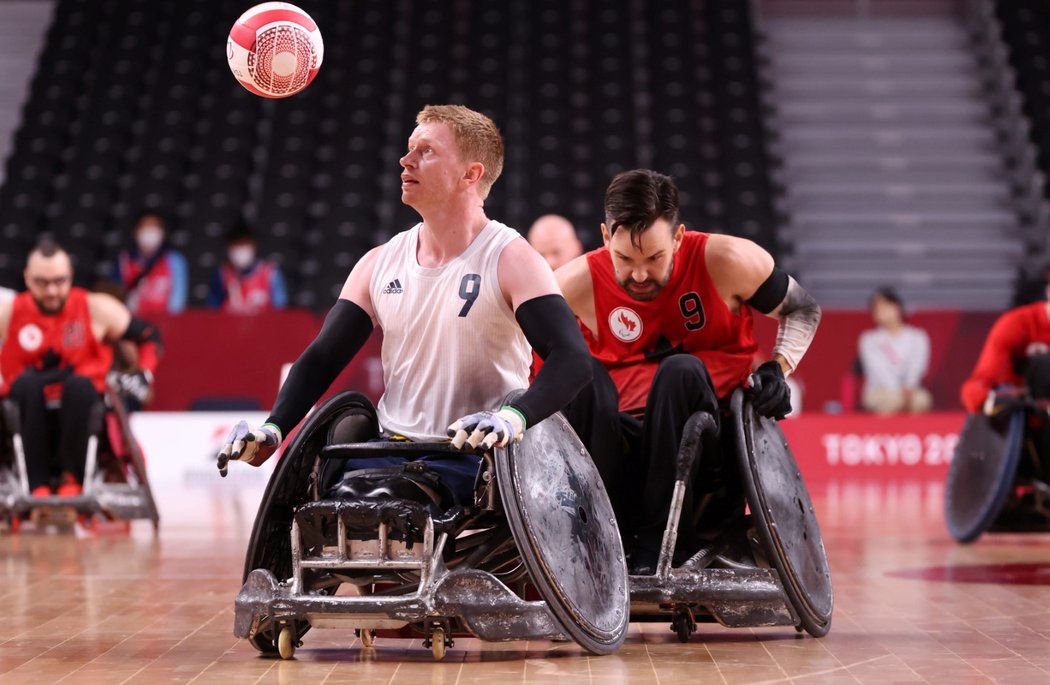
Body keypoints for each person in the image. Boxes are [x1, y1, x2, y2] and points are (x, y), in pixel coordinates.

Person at [217, 105, 592, 508]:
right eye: (410, 148)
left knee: (389, 504)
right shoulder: (379, 262)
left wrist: (512, 419)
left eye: (426, 151)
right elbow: (323, 356)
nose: (405, 160)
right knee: (326, 505)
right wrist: (273, 428)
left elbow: (572, 360)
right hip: (389, 449)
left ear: (471, 174)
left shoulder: (512, 259)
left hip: (475, 457)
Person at [556, 169, 821, 574]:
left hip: (708, 451)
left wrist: (778, 366)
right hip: (620, 452)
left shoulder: (726, 260)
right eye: (625, 259)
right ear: (606, 237)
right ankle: (597, 539)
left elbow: (803, 308)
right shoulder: (573, 283)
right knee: (583, 375)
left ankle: (665, 541)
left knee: (678, 371)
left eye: (654, 258)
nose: (640, 274)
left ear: (678, 238)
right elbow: (514, 350)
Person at [0, 239, 162, 496]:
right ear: (28, 279)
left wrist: (144, 372)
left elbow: (149, 336)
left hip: (81, 408)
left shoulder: (96, 308)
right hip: (25, 410)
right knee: (26, 385)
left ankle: (72, 481)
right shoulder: (8, 313)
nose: (52, 291)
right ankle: (36, 485)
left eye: (59, 281)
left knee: (79, 385)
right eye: (42, 283)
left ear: (70, 277)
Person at [962, 275, 1050, 417]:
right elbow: (977, 387)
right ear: (1048, 290)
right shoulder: (1015, 324)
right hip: (1025, 416)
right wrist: (995, 401)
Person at [857, 287, 932, 415]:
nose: (880, 312)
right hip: (880, 390)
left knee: (922, 400)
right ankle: (883, 433)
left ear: (897, 307)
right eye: (876, 309)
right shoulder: (870, 339)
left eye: (884, 306)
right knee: (891, 401)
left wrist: (909, 386)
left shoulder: (917, 337)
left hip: (910, 390)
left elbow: (918, 365)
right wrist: (898, 390)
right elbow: (879, 370)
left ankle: (914, 433)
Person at [113, 211, 189, 316]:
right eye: (145, 227)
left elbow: (178, 300)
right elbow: (116, 293)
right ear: (135, 231)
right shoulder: (123, 260)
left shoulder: (175, 260)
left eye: (154, 227)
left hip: (165, 322)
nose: (149, 232)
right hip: (131, 321)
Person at [207, 225, 288, 314]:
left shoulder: (271, 274)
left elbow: (280, 310)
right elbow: (213, 310)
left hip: (264, 325)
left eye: (243, 246)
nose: (239, 252)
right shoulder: (222, 274)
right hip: (230, 325)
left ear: (253, 247)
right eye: (235, 247)